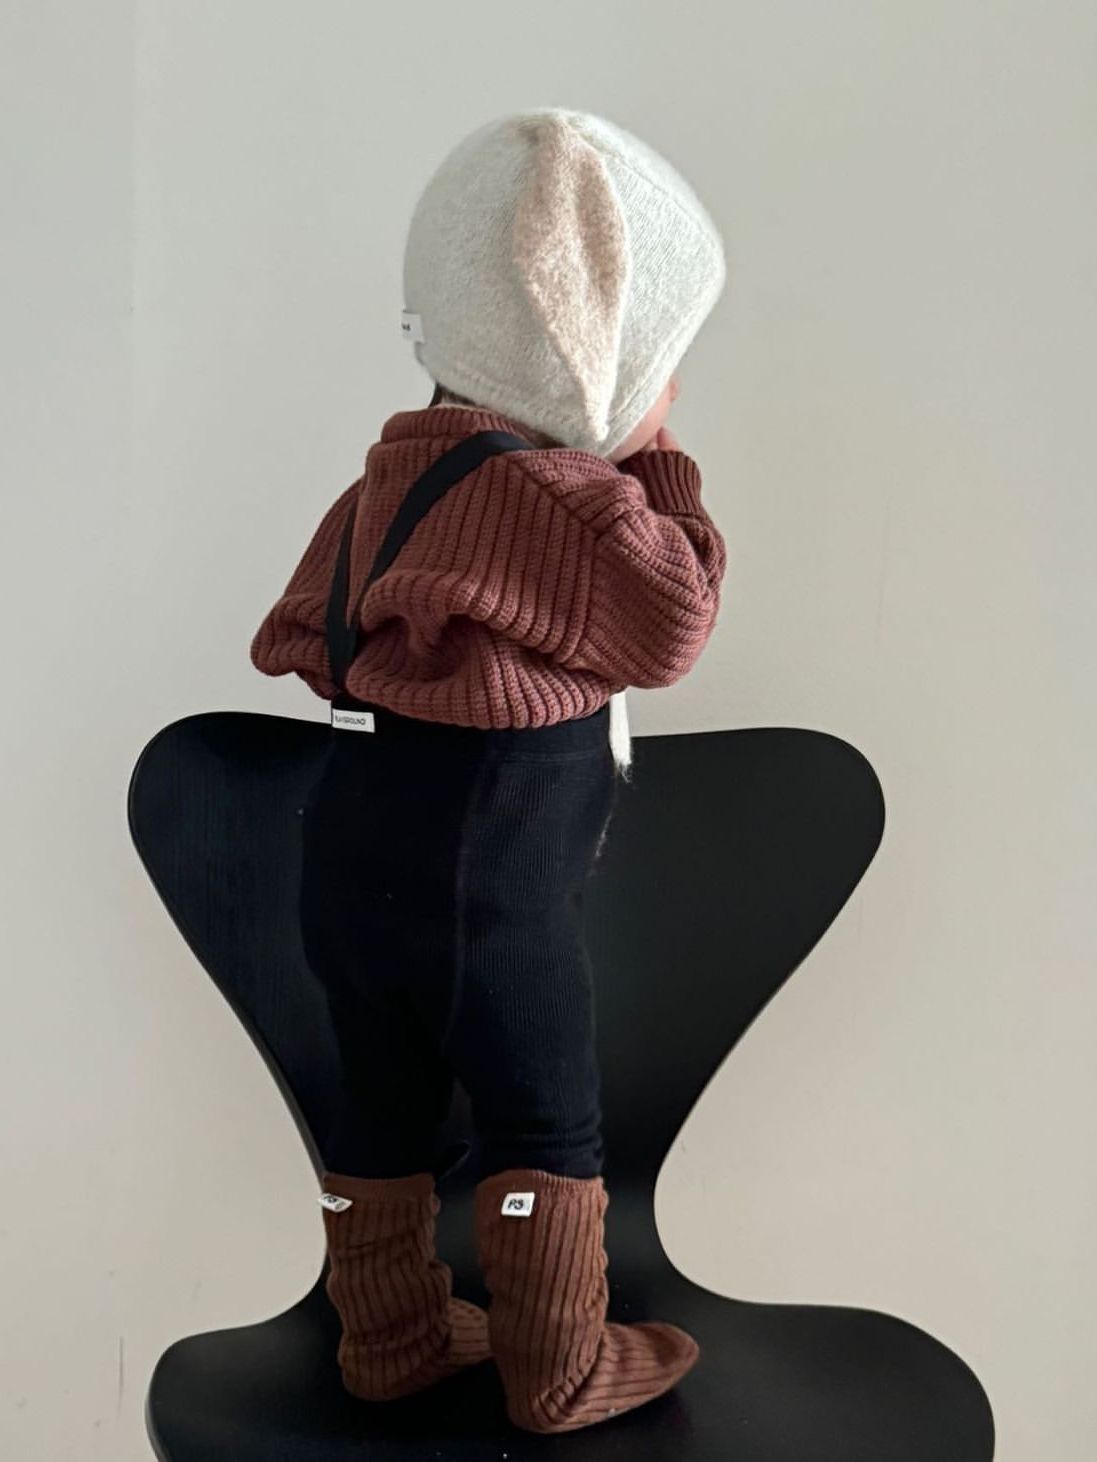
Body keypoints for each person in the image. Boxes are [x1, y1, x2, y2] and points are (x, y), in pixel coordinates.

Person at [251, 106, 727, 1435]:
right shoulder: (566, 500)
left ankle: (391, 1339)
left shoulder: (395, 471)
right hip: (487, 874)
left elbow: (307, 635)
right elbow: (673, 625)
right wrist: (657, 464)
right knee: (542, 1110)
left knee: (381, 1098)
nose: (670, 392)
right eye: (663, 361)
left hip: (350, 852)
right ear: (595, 353)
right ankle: (558, 1364)